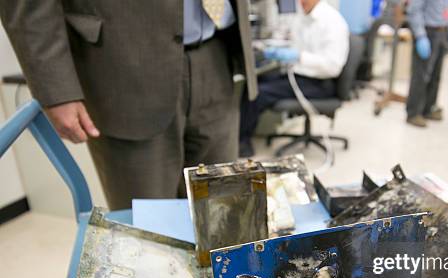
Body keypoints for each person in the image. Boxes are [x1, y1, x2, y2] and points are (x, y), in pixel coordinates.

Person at [0, 0, 257, 210]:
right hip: (121, 65)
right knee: (150, 235)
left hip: (217, 50)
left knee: (222, 218)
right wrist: (55, 88)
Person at [239, 0, 349, 157]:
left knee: (259, 93)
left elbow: (333, 66)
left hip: (320, 83)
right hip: (300, 75)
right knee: (253, 83)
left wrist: (299, 56)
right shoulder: (304, 16)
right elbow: (294, 42)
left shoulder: (332, 21)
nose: (302, 1)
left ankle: (242, 143)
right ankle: (241, 133)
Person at [405, 0, 448, 128]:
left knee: (435, 75)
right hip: (428, 32)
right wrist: (420, 36)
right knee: (421, 74)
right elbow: (414, 11)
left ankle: (428, 109)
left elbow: (447, 9)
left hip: (442, 31)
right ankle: (413, 113)